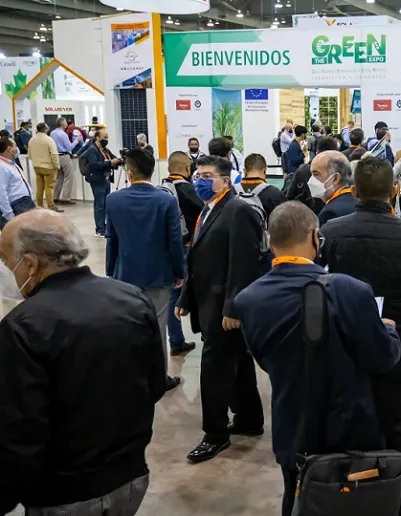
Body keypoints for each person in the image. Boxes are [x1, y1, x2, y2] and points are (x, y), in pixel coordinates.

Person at [235, 201, 401, 516]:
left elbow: (265, 360)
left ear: (270, 242)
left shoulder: (248, 300)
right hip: (351, 427)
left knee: (299, 494)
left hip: (292, 425)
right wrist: (389, 331)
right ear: (315, 236)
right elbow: (382, 359)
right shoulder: (351, 290)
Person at [0, 210, 166, 516]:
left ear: (31, 263)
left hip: (64, 493)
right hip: (130, 478)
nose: (8, 271)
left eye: (7, 261)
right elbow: (155, 384)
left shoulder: (23, 326)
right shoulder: (132, 298)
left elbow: (22, 432)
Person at [320, 157, 401, 516]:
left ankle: (348, 497)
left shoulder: (332, 230)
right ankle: (398, 502)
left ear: (354, 190)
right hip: (394, 347)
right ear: (394, 190)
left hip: (343, 345)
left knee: (344, 423)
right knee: (398, 425)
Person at [175, 155, 264, 463]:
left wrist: (233, 308)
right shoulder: (209, 209)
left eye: (207, 176)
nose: (199, 181)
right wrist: (185, 298)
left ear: (225, 180)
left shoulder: (238, 210)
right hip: (208, 302)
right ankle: (249, 419)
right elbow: (199, 259)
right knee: (237, 361)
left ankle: (215, 434)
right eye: (197, 175)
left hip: (224, 308)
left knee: (214, 371)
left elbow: (244, 264)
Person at [105, 148, 184, 391]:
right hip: (159, 274)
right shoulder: (167, 201)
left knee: (127, 325)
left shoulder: (113, 200)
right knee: (158, 327)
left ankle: (130, 375)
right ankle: (158, 378)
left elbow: (112, 239)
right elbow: (174, 240)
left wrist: (110, 271)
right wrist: (179, 271)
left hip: (125, 274)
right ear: (152, 170)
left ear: (129, 173)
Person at [162, 151, 202, 356]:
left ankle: (176, 340)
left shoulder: (161, 190)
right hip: (189, 248)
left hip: (167, 249)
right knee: (199, 291)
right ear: (188, 168)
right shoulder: (190, 190)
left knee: (173, 295)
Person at [82, 129, 121, 237]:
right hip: (97, 180)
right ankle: (100, 229)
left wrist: (118, 160)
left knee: (106, 204)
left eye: (107, 137)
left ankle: (105, 226)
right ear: (97, 137)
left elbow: (112, 158)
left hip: (106, 179)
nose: (106, 140)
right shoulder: (92, 150)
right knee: (100, 204)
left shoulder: (105, 149)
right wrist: (109, 162)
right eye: (104, 137)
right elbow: (94, 165)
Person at [285, 136, 338, 214]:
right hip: (330, 215)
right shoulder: (338, 172)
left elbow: (290, 196)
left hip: (305, 214)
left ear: (317, 151)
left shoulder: (303, 170)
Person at [311, 151, 357, 226]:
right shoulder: (359, 202)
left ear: (335, 179)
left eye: (316, 174)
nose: (311, 180)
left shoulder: (330, 213)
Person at [0, 136, 34, 230]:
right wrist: (9, 215)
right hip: (17, 207)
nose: (17, 148)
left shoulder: (11, 163)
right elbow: (1, 193)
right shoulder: (2, 167)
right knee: (20, 236)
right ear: (9, 149)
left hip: (24, 204)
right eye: (15, 146)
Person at [27, 122, 61, 211]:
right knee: (49, 187)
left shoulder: (32, 140)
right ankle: (51, 205)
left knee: (39, 187)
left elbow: (29, 154)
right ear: (46, 129)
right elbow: (54, 154)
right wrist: (56, 165)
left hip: (37, 166)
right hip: (48, 167)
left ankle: (39, 205)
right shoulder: (49, 140)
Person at [51, 117, 81, 205]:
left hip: (56, 157)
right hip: (64, 156)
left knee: (59, 177)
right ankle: (65, 198)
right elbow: (69, 147)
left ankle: (55, 197)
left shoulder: (52, 133)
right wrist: (76, 140)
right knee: (68, 177)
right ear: (63, 124)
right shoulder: (63, 134)